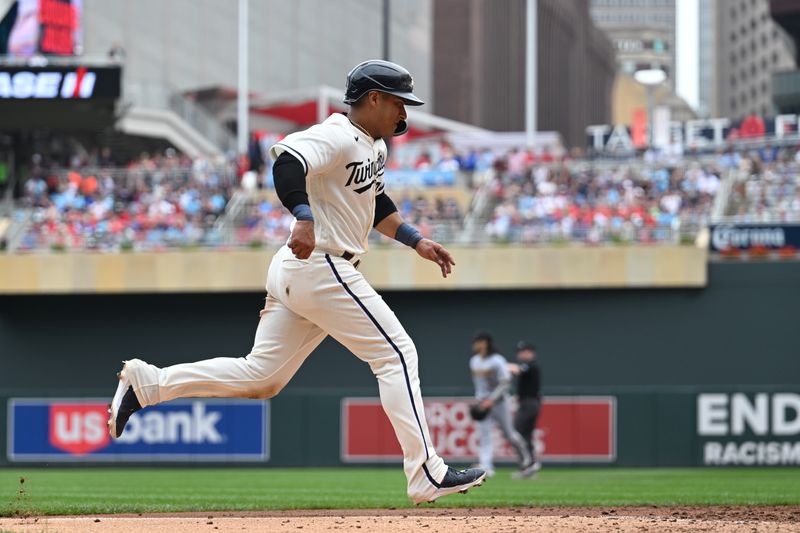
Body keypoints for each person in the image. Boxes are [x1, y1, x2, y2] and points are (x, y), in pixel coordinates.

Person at [106, 59, 485, 505]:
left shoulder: (372, 146)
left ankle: (148, 384)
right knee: (396, 354)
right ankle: (427, 473)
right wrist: (303, 216)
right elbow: (288, 159)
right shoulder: (337, 133)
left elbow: (374, 199)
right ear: (374, 98)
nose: (405, 114)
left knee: (260, 377)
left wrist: (415, 239)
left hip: (304, 269)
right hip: (321, 263)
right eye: (400, 103)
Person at [469, 331, 532, 477]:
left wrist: (491, 399)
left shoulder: (497, 360)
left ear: (484, 343)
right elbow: (479, 386)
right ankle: (486, 467)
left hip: (499, 403)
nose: (474, 345)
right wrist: (480, 400)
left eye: (477, 342)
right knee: (484, 434)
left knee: (510, 434)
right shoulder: (474, 361)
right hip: (482, 402)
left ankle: (527, 460)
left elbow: (505, 383)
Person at [508, 340, 542, 479]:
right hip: (528, 403)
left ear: (531, 353)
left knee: (516, 433)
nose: (521, 354)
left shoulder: (531, 366)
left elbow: (517, 369)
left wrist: (499, 365)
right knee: (526, 435)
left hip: (530, 404)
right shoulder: (527, 366)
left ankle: (528, 463)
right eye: (520, 351)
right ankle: (529, 466)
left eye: (524, 351)